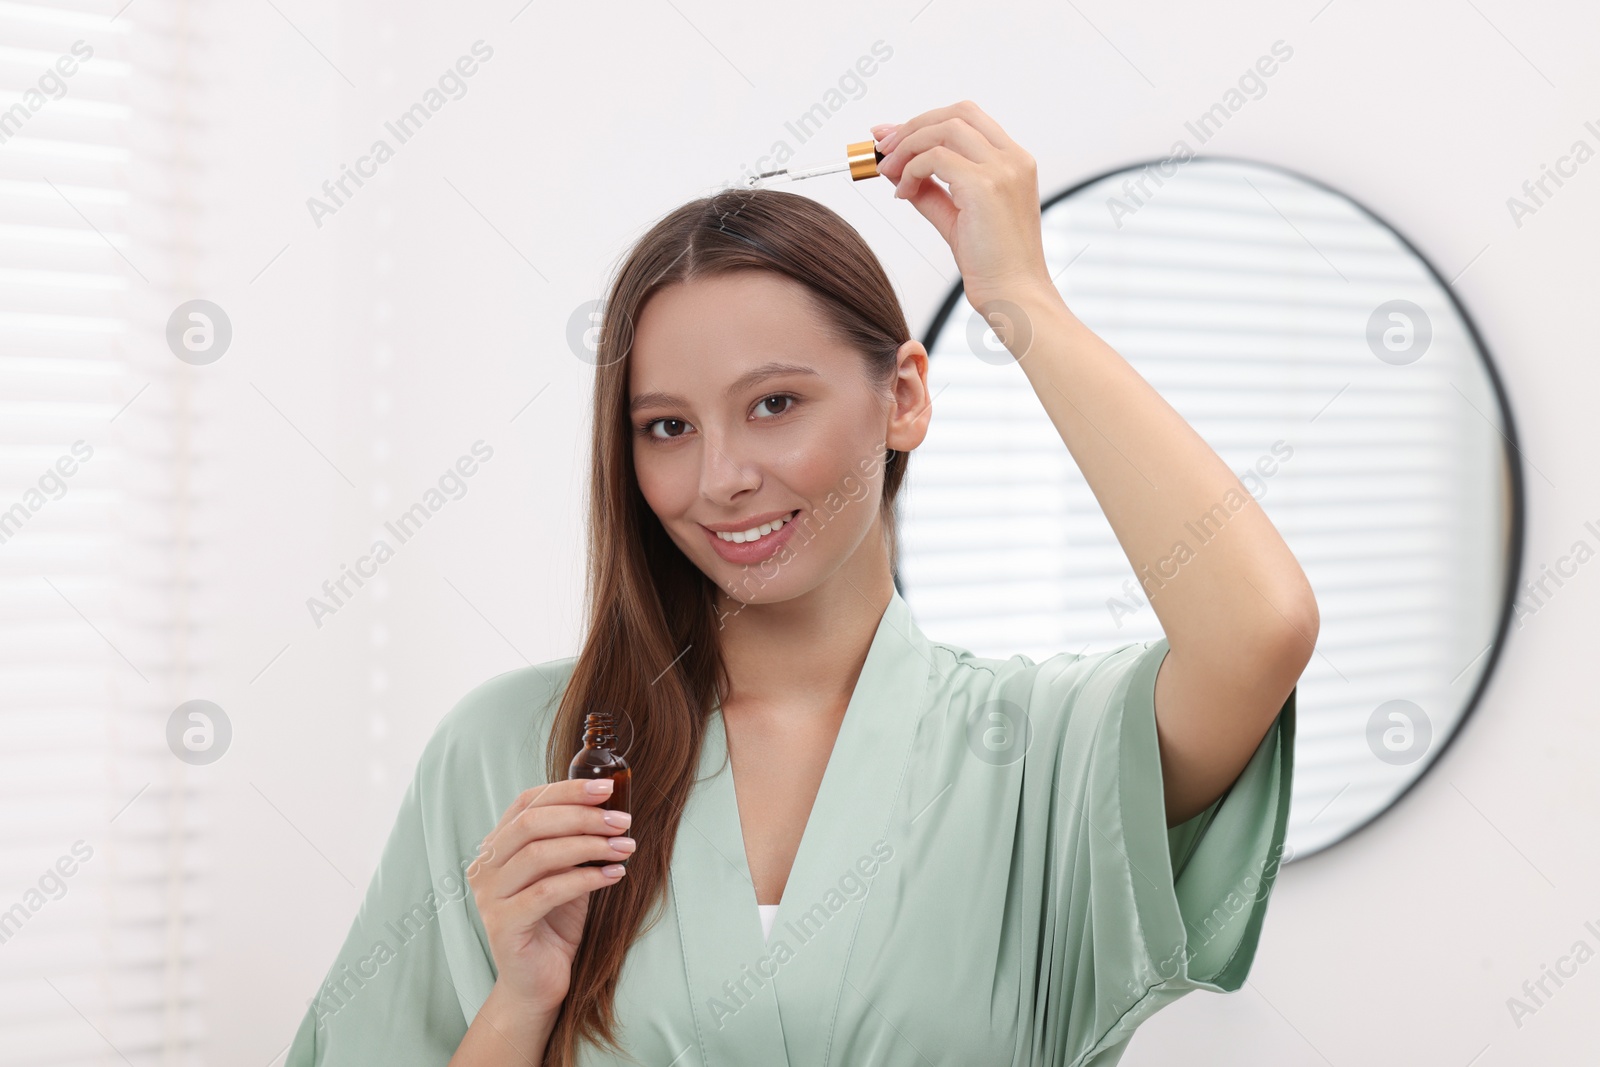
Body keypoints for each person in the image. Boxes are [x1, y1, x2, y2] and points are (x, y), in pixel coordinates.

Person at [284, 100, 1314, 1067]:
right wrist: (519, 1001)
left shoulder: (1042, 755)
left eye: (774, 403)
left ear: (902, 396)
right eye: (668, 426)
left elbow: (1258, 631)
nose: (722, 476)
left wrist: (1021, 298)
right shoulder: (511, 752)